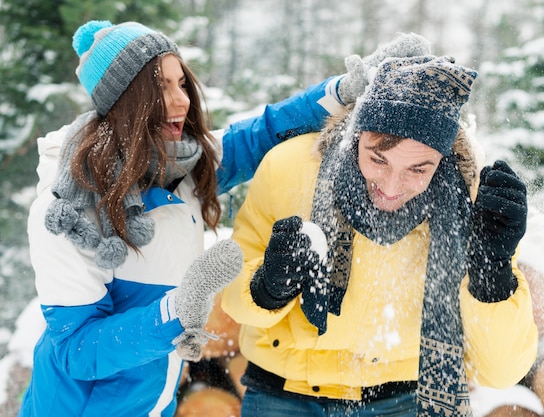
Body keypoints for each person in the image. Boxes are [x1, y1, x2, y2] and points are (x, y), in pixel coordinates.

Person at [19, 19, 429, 417]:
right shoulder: (66, 212)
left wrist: (345, 90)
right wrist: (177, 310)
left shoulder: (184, 167)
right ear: (121, 100)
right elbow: (76, 351)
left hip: (151, 406)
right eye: (159, 86)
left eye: (182, 83)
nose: (181, 100)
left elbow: (263, 133)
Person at [221, 55, 539, 416]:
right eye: (378, 159)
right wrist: (269, 285)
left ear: (444, 157)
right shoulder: (290, 167)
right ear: (358, 134)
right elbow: (234, 297)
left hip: (405, 399)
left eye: (418, 169)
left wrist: (492, 273)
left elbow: (502, 371)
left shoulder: (470, 197)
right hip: (284, 394)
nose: (390, 187)